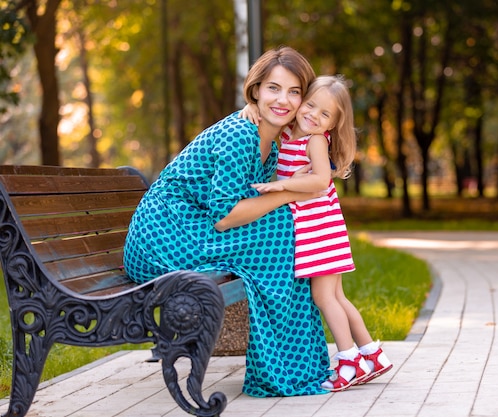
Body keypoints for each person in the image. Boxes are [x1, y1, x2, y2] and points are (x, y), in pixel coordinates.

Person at [123, 46, 333, 397]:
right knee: (281, 228)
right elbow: (225, 218)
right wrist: (290, 194)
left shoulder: (271, 140)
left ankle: (298, 368)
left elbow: (246, 202)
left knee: (282, 229)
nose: (283, 100)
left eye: (294, 92)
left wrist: (289, 187)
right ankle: (287, 371)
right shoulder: (241, 135)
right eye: (273, 88)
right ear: (255, 90)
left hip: (191, 227)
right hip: (162, 236)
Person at [243, 75, 392, 392]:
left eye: (324, 114)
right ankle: (372, 353)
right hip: (322, 229)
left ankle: (349, 359)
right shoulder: (288, 133)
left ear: (333, 124)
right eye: (310, 105)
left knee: (323, 297)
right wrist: (251, 108)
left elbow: (322, 180)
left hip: (319, 230)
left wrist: (282, 185)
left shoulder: (314, 141)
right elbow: (268, 124)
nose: (312, 115)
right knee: (338, 296)